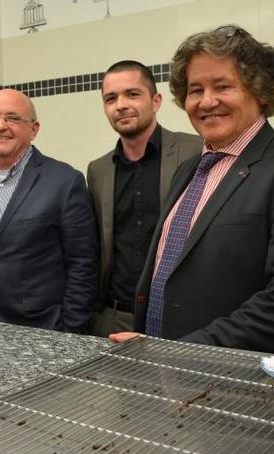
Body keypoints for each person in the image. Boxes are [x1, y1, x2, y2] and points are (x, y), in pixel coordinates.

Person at [110, 25, 274, 354]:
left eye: (223, 86)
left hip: (240, 387)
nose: (207, 101)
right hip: (164, 372)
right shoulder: (188, 169)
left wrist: (183, 352)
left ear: (260, 91)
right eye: (195, 90)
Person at [0, 88, 98, 333]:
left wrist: (70, 333)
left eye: (12, 118)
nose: (0, 125)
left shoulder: (64, 182)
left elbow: (83, 264)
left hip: (44, 330)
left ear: (34, 129)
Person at [86, 60, 201, 337]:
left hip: (177, 316)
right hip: (114, 319)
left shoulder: (195, 151)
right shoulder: (98, 170)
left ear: (156, 100)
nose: (121, 105)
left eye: (132, 94)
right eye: (110, 98)